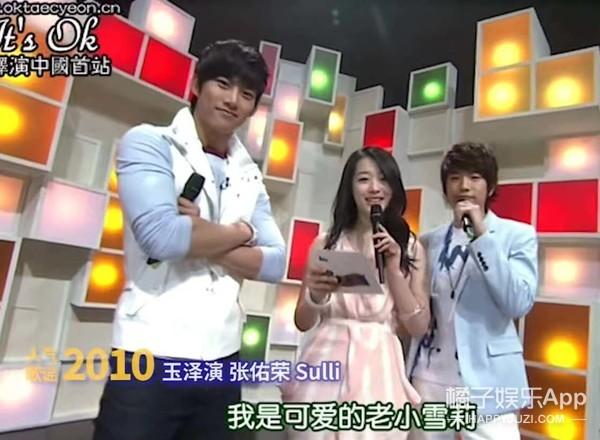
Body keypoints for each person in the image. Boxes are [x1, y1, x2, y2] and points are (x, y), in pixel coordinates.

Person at [93, 40, 286, 440]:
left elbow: (275, 263)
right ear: (197, 84)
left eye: (246, 94)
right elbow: (162, 237)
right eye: (223, 84)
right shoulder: (150, 143)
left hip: (222, 357)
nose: (232, 100)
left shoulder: (250, 174)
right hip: (149, 355)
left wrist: (201, 233)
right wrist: (243, 232)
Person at [281, 147, 431, 439]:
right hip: (326, 358)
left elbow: (417, 326)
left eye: (383, 179)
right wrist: (316, 295)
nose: (375, 188)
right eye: (364, 179)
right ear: (350, 188)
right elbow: (302, 321)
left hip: (379, 363)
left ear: (394, 187)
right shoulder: (325, 243)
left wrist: (393, 269)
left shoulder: (410, 247)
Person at [406, 142, 539, 439]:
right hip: (430, 376)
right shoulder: (429, 241)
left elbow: (518, 303)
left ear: (490, 187)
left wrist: (482, 237)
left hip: (488, 377)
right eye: (455, 178)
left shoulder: (517, 236)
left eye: (474, 177)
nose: (464, 186)